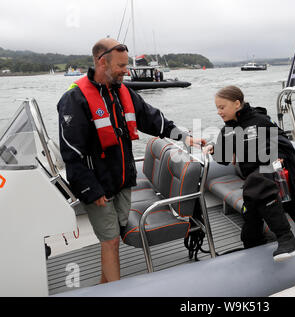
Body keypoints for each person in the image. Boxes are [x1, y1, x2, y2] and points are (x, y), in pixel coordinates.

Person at [57, 38, 205, 284]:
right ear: (101, 62)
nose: (127, 71)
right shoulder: (75, 99)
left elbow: (153, 119)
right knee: (111, 241)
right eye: (121, 66)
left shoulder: (123, 93)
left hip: (123, 182)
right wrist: (90, 190)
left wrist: (184, 137)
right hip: (98, 187)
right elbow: (71, 152)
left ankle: (103, 288)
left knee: (112, 240)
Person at [204, 86, 295, 271]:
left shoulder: (260, 121)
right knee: (249, 231)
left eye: (222, 107)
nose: (219, 112)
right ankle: (255, 254)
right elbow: (223, 160)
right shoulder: (228, 131)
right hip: (253, 184)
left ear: (237, 104)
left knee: (258, 180)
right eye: (217, 108)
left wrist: (277, 155)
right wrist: (214, 149)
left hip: (273, 176)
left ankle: (287, 239)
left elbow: (282, 143)